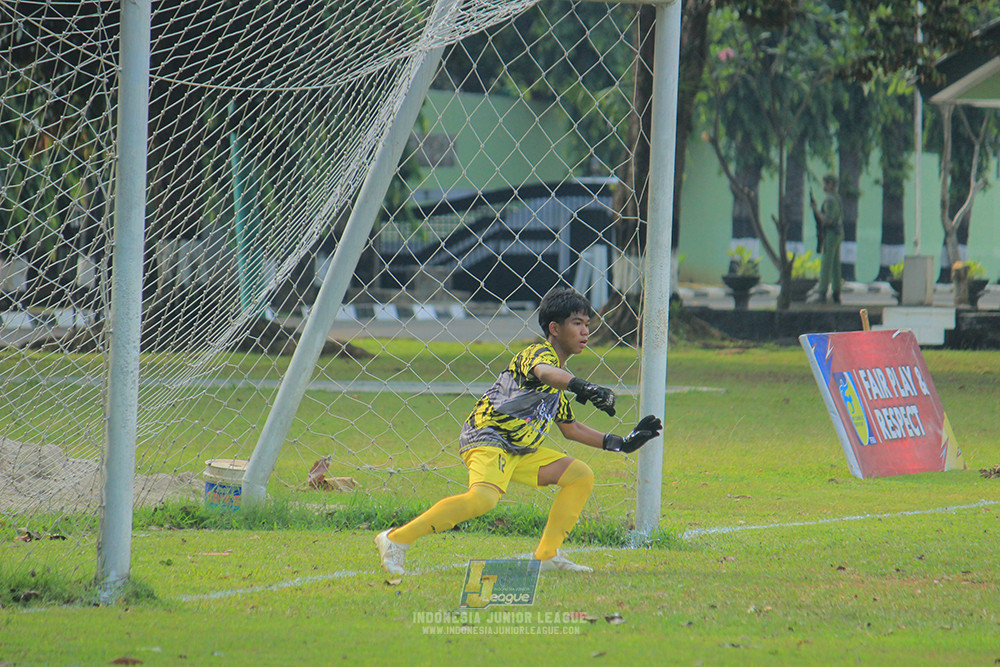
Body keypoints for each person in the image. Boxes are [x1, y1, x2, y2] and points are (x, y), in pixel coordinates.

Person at [375, 287, 662, 574]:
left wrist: (622, 443)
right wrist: (582, 386)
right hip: (489, 437)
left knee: (579, 475)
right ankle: (395, 539)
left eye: (587, 324)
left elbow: (571, 428)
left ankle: (547, 555)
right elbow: (546, 373)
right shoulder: (537, 354)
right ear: (554, 328)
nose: (585, 331)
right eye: (577, 323)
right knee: (483, 499)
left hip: (519, 450)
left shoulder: (558, 385)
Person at [809, 173, 844, 304]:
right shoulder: (836, 198)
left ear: (831, 185)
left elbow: (828, 220)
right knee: (835, 265)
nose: (823, 186)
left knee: (826, 263)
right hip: (837, 233)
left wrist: (816, 210)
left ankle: (822, 293)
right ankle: (836, 292)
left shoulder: (829, 200)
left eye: (825, 183)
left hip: (831, 234)